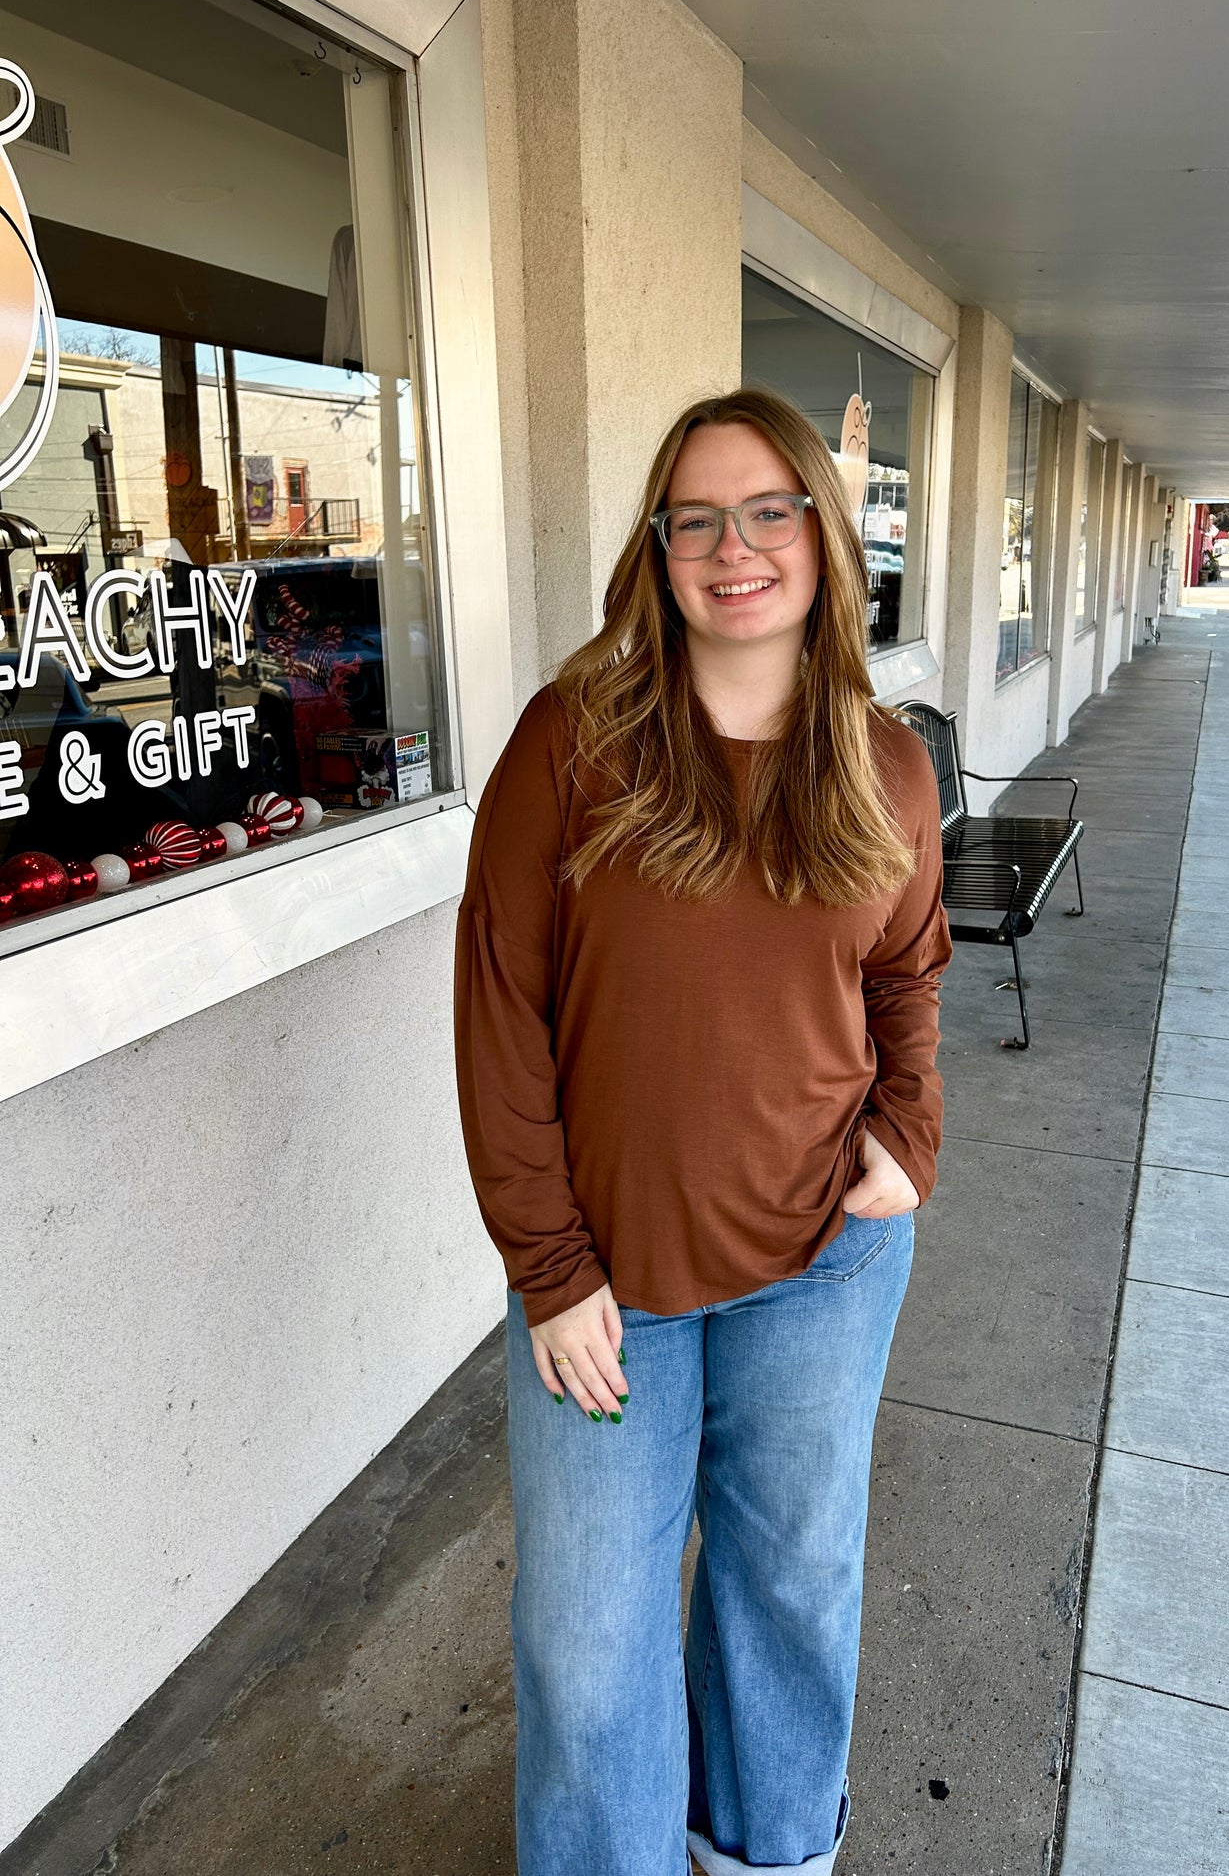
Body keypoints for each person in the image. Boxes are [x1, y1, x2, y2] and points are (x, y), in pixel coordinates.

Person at [454, 387, 950, 1876]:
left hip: (824, 1267)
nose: (731, 548)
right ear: (656, 550)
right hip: (608, 1299)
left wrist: (909, 1136)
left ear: (820, 532)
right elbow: (501, 1014)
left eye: (766, 511)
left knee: (787, 1594)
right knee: (591, 1647)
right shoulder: (574, 743)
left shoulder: (887, 767)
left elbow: (905, 974)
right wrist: (547, 1266)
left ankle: (766, 1857)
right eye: (694, 519)